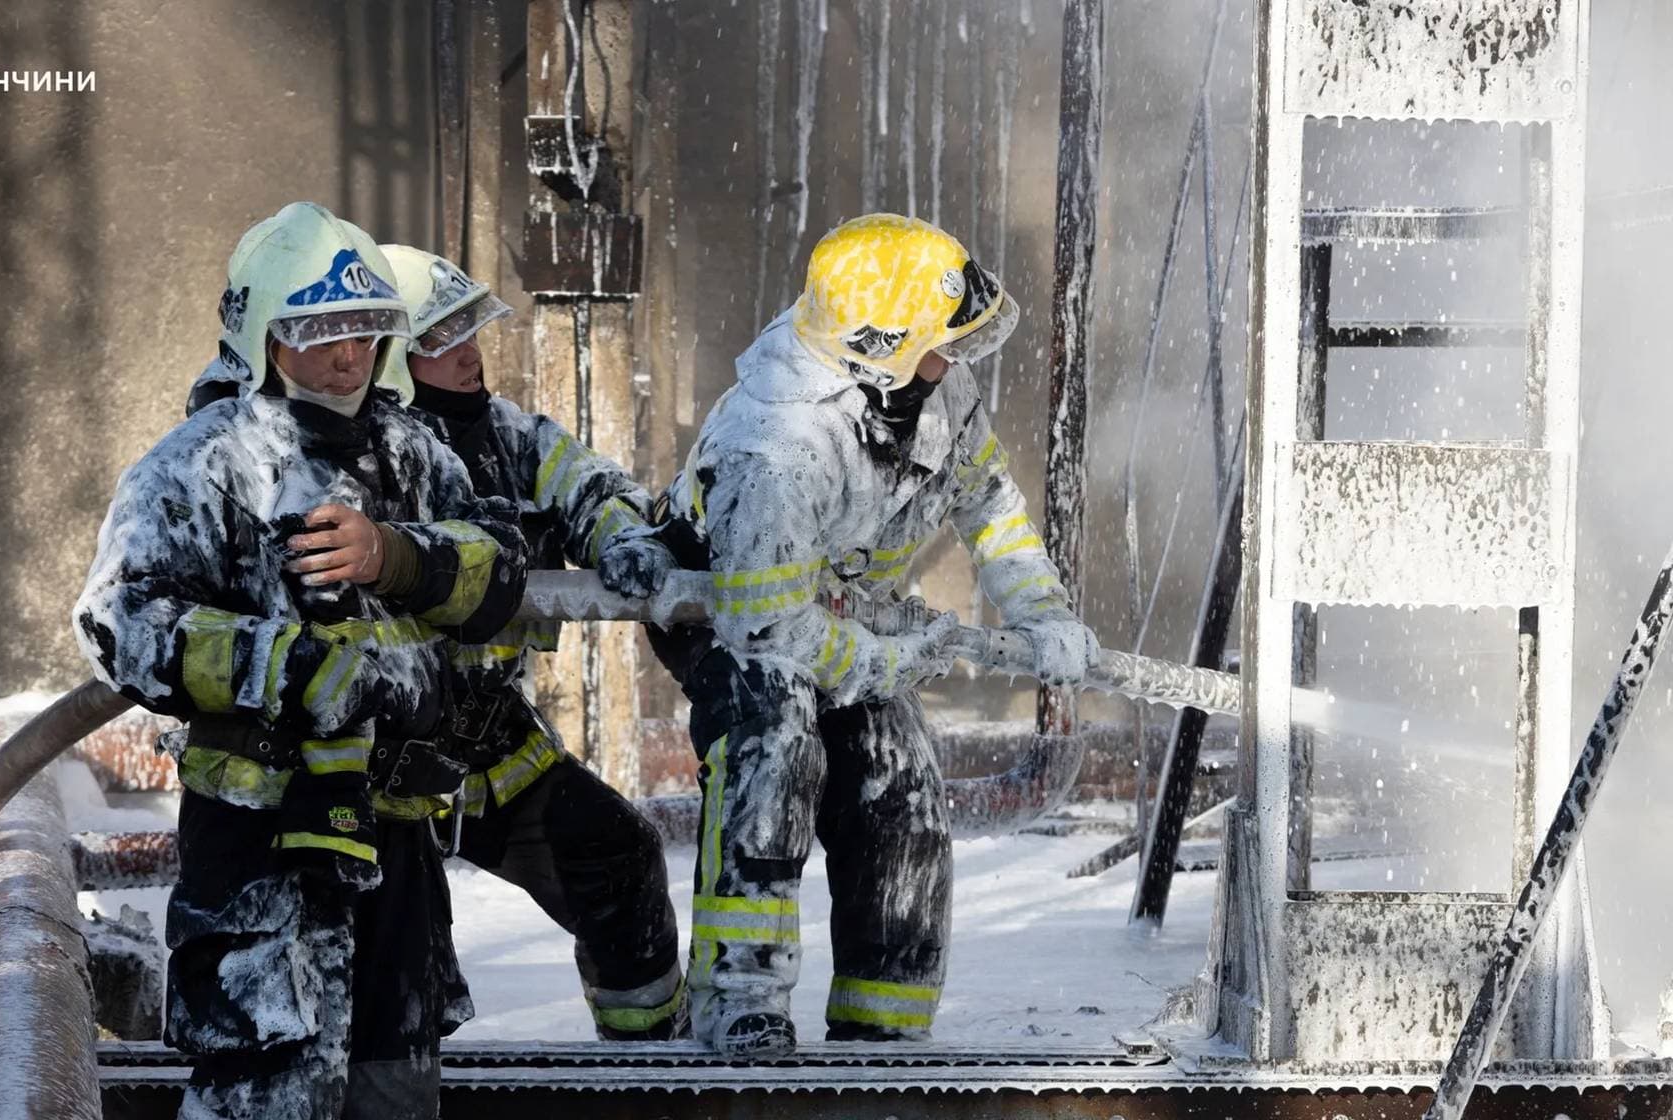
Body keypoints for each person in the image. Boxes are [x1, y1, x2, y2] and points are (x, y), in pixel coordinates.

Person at [75, 201, 527, 1119]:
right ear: (262, 335)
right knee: (265, 1094)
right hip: (259, 850)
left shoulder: (415, 455)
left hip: (393, 837)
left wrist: (396, 558)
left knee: (395, 1092)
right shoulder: (201, 465)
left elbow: (501, 572)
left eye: (364, 329)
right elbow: (121, 623)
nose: (347, 355)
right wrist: (294, 666)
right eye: (318, 331)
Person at [616, 213, 1100, 1058]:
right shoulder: (775, 447)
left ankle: (886, 1029)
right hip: (731, 609)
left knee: (899, 780)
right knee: (777, 747)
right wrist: (877, 659)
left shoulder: (932, 384)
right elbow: (765, 621)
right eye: (941, 344)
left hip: (846, 608)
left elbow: (992, 509)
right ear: (879, 348)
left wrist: (1044, 614)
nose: (959, 361)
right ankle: (742, 1001)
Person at [375, 243, 686, 1040]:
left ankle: (646, 1066)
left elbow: (593, 487)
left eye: (468, 333)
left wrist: (623, 537)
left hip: (487, 738)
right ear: (391, 361)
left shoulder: (509, 437)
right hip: (373, 755)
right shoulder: (367, 455)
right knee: (401, 961)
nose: (470, 355)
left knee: (618, 856)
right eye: (441, 342)